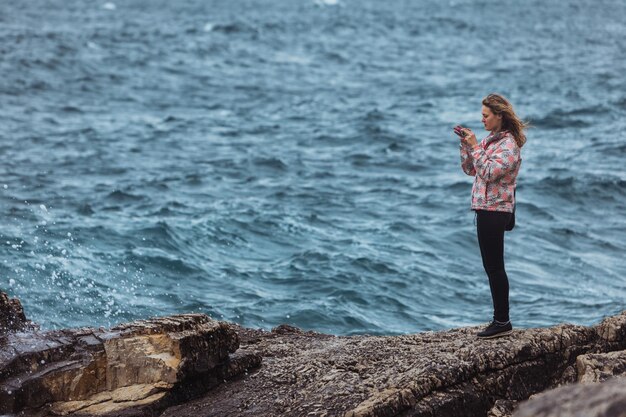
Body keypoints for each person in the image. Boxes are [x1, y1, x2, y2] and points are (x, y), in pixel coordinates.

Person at [455, 93, 528, 339]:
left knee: (495, 268)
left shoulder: (508, 146)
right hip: (486, 209)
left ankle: (502, 321)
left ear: (499, 116)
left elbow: (487, 172)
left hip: (495, 210)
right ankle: (500, 319)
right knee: (491, 267)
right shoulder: (490, 141)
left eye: (486, 116)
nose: (482, 119)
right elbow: (470, 169)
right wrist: (467, 146)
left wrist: (476, 146)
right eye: (481, 115)